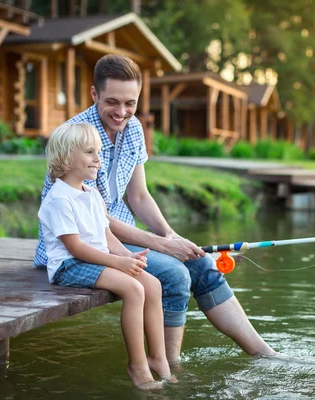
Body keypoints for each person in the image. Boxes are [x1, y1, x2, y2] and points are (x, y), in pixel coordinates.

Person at [34, 54, 275, 363]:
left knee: (201, 264)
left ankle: (262, 352)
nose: (122, 113)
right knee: (175, 274)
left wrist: (173, 236)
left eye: (130, 103)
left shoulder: (133, 129)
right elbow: (98, 219)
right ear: (94, 94)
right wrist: (162, 245)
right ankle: (167, 366)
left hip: (118, 237)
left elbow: (139, 196)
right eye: (112, 102)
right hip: (84, 243)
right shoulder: (76, 139)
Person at [39, 122, 173, 389]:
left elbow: (106, 235)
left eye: (98, 152)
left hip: (96, 257)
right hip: (70, 265)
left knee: (152, 284)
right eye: (90, 152)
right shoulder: (59, 199)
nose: (98, 159)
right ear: (66, 157)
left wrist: (128, 257)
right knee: (134, 289)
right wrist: (118, 263)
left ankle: (158, 359)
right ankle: (137, 367)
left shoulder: (91, 193)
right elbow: (75, 248)